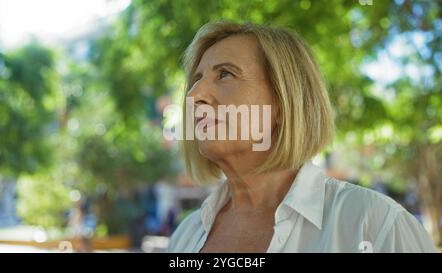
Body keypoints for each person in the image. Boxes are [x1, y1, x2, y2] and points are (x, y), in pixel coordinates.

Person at [167, 21, 438, 253]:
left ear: (284, 102)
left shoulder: (376, 224)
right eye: (196, 79)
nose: (193, 95)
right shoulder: (186, 236)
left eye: (225, 74)